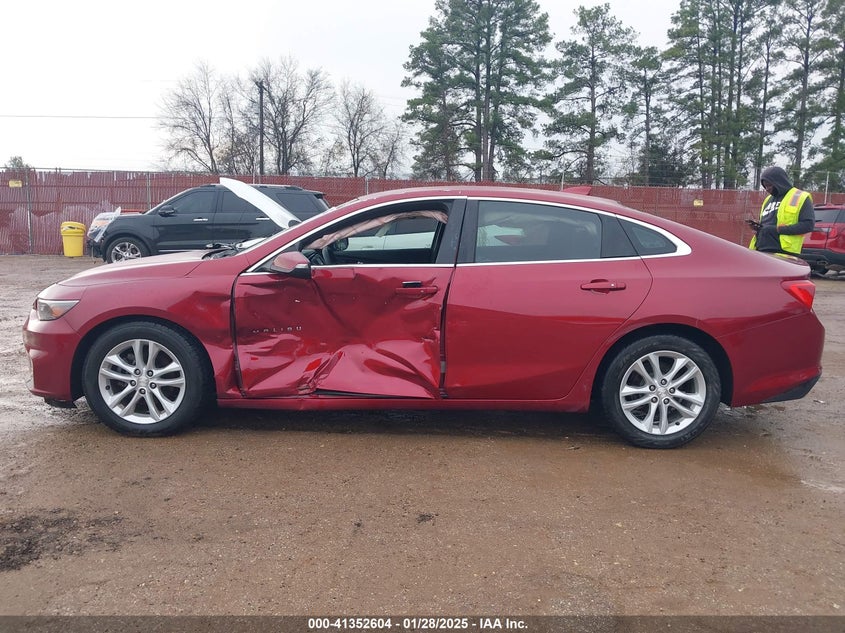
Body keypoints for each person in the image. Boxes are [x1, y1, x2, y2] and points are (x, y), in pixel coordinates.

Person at [747, 166, 815, 254]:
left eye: (769, 185)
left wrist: (778, 229)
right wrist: (758, 227)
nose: (767, 189)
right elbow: (767, 223)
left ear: (779, 182)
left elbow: (808, 225)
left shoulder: (799, 197)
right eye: (765, 186)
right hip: (761, 248)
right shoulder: (768, 199)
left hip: (784, 250)